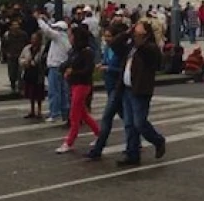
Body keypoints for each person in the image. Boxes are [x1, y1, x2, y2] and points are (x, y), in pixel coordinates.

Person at [119, 21, 166, 167]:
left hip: (140, 90)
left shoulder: (150, 47)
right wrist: (127, 32)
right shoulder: (132, 46)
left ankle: (158, 140)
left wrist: (140, 37)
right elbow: (115, 43)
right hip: (127, 88)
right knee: (129, 124)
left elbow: (151, 56)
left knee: (139, 123)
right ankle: (132, 154)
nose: (135, 31)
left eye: (139, 29)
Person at [85, 22, 130, 160]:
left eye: (109, 36)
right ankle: (134, 142)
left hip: (118, 87)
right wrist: (103, 65)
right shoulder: (108, 49)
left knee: (107, 118)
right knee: (127, 118)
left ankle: (98, 148)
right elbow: (107, 62)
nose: (106, 38)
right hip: (110, 87)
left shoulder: (121, 51)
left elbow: (123, 70)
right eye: (105, 36)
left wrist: (108, 69)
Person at [56, 26, 100, 154]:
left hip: (82, 85)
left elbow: (88, 70)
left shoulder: (87, 52)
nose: (69, 38)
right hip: (74, 84)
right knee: (83, 114)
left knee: (74, 115)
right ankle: (99, 134)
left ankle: (69, 142)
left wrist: (72, 72)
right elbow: (67, 63)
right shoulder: (74, 51)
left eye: (71, 36)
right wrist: (63, 68)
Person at [18, 33, 46, 119]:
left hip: (38, 73)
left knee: (39, 93)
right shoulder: (27, 48)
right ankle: (32, 110)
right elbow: (20, 58)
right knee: (31, 93)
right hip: (29, 72)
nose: (33, 40)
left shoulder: (42, 49)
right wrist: (25, 62)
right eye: (32, 38)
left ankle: (39, 111)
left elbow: (44, 60)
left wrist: (37, 62)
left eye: (35, 39)